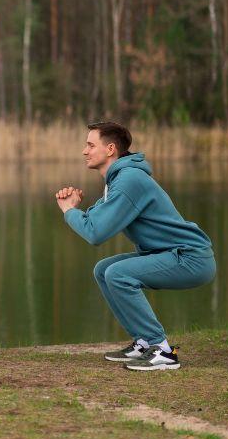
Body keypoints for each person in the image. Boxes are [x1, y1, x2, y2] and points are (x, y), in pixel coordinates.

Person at [55, 122, 216, 371]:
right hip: (171, 255)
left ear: (110, 149)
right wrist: (76, 207)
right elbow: (94, 221)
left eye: (90, 145)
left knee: (117, 274)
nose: (84, 151)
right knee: (104, 269)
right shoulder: (118, 179)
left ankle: (162, 350)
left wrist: (68, 211)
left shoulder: (129, 180)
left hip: (191, 258)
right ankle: (142, 342)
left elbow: (95, 234)